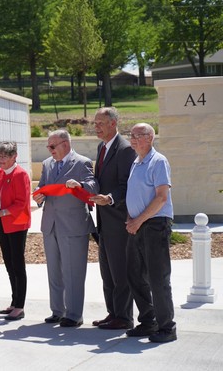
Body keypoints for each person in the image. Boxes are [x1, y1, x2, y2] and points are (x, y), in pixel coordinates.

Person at [33, 129, 98, 327]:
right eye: (48, 146)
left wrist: (79, 184)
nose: (49, 150)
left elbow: (93, 186)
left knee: (74, 272)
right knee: (54, 271)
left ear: (65, 144)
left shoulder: (81, 162)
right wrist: (38, 196)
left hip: (73, 226)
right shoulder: (47, 164)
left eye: (52, 146)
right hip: (50, 225)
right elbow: (42, 187)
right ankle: (57, 311)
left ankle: (74, 314)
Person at [125, 123, 177, 343]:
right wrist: (131, 218)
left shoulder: (158, 161)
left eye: (137, 135)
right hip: (137, 225)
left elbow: (161, 198)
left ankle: (167, 328)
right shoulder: (136, 163)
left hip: (154, 225)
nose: (132, 139)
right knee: (135, 275)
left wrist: (138, 220)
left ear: (150, 138)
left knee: (158, 278)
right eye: (131, 135)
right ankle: (149, 322)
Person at [88, 107, 137, 330]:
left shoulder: (125, 150)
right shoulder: (101, 147)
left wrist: (109, 198)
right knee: (107, 271)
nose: (96, 126)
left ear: (113, 124)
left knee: (120, 272)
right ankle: (113, 313)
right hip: (103, 221)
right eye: (95, 123)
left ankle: (124, 317)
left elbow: (126, 186)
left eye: (100, 123)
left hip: (118, 220)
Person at [0, 142, 31, 321]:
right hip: (3, 224)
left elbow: (21, 203)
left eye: (5, 156)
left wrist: (0, 212)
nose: (1, 160)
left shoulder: (21, 175)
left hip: (17, 224)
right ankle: (14, 302)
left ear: (14, 156)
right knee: (9, 263)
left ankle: (20, 306)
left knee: (18, 265)